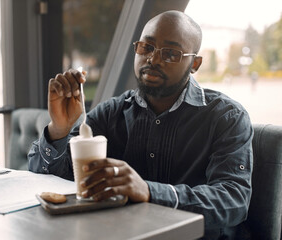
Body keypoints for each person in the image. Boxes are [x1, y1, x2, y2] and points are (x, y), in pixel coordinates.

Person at [28, 10, 253, 239]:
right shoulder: (111, 112)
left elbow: (233, 200)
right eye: (147, 47)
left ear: (194, 64)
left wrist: (148, 191)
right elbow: (46, 177)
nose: (153, 60)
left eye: (171, 53)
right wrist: (59, 129)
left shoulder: (227, 117)